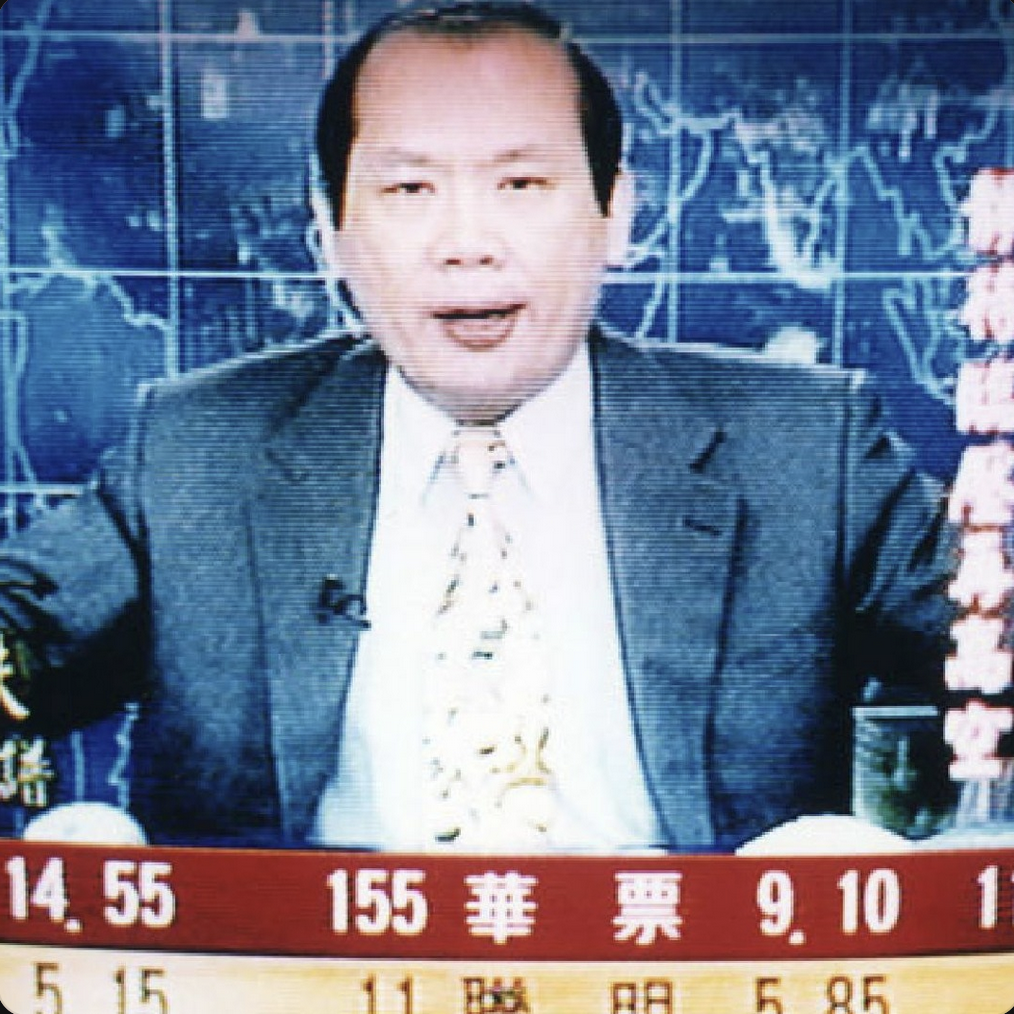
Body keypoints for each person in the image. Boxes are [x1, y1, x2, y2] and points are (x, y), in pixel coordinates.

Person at [0, 0, 955, 852]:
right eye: (410, 191)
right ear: (329, 232)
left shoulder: (806, 452)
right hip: (306, 969)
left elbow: (989, 651)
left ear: (616, 214)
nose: (467, 245)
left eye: (522, 186)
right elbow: (22, 643)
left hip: (673, 963)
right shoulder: (197, 450)